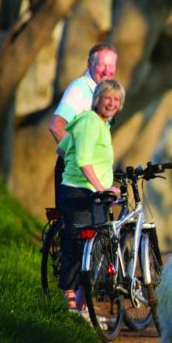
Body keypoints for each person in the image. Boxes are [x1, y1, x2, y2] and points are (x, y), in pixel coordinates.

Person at [56, 79, 124, 314]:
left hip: (94, 194)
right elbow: (84, 160)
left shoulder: (102, 125)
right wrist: (100, 187)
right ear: (97, 99)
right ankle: (68, 301)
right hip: (79, 192)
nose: (112, 103)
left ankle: (85, 309)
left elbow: (62, 148)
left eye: (116, 100)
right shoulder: (88, 121)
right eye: (107, 98)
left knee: (96, 249)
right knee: (76, 247)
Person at [48, 43, 118, 205]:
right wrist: (77, 158)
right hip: (77, 175)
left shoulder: (103, 93)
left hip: (91, 174)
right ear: (89, 64)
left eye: (111, 66)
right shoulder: (79, 89)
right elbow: (56, 126)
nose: (107, 71)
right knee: (77, 227)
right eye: (102, 65)